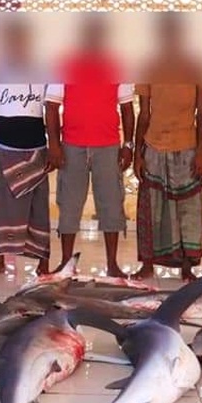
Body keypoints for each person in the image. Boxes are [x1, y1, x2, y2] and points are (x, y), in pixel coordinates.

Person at [45, 16, 136, 277]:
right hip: (71, 146)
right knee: (69, 205)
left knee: (111, 205)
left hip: (108, 147)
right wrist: (55, 145)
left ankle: (112, 264)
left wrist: (127, 144)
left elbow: (128, 109)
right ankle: (66, 263)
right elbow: (51, 106)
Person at [132, 14, 202, 282]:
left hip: (186, 146)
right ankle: (147, 265)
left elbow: (201, 114)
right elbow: (143, 114)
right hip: (154, 145)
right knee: (152, 208)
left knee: (188, 208)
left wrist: (201, 151)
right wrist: (136, 154)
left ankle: (187, 266)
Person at [0, 21, 51, 276]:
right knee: (2, 205)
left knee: (38, 207)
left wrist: (54, 146)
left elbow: (52, 108)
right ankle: (0, 260)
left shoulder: (45, 69)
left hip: (36, 147)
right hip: (2, 146)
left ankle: (43, 262)